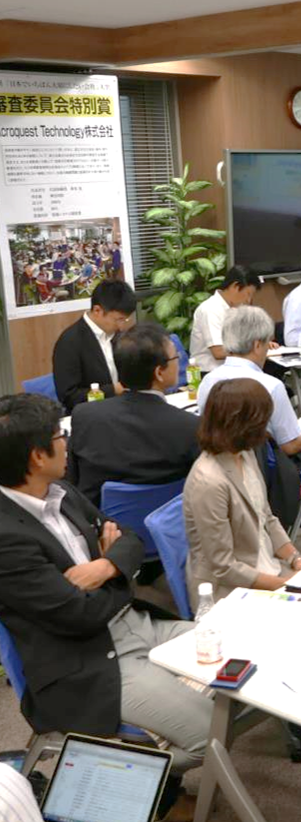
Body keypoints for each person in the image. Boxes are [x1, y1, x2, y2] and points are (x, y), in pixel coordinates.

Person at [0, 394, 211, 821]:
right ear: (38, 456)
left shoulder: (59, 489)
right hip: (85, 660)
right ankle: (121, 787)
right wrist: (121, 575)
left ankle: (149, 781)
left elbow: (130, 538)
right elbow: (80, 617)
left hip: (134, 624)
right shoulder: (6, 538)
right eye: (61, 437)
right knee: (211, 734)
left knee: (243, 656)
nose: (68, 445)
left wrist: (105, 566)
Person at [183, 379, 301, 607]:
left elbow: (267, 517)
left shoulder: (244, 454)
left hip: (265, 567)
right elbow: (223, 566)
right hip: (229, 589)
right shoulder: (208, 482)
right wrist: (285, 584)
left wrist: (296, 559)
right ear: (244, 425)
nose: (267, 427)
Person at [67, 323, 200, 506]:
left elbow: (74, 482)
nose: (179, 363)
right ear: (159, 372)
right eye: (176, 357)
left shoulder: (85, 416)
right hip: (166, 524)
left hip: (102, 525)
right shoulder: (189, 426)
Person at [197, 306, 301, 470]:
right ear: (257, 345)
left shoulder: (208, 381)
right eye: (268, 342)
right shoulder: (270, 386)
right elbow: (290, 447)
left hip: (223, 465)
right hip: (269, 469)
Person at [52, 279, 136, 413]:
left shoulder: (118, 335)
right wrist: (113, 390)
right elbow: (69, 396)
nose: (122, 326)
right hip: (93, 416)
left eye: (126, 320)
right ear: (97, 310)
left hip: (124, 408)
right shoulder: (70, 342)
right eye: (119, 320)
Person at [189, 264, 264, 372]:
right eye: (248, 294)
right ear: (235, 286)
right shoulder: (210, 309)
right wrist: (252, 350)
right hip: (210, 373)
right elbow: (218, 351)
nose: (249, 300)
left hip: (232, 370)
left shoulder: (235, 309)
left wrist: (262, 344)